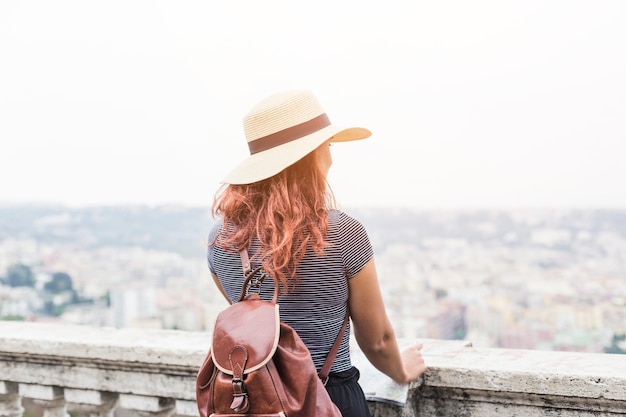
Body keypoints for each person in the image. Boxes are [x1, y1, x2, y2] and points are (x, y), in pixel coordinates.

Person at [207, 90, 426, 417]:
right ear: (311, 157)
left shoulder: (220, 239)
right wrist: (401, 370)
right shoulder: (341, 232)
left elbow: (257, 321)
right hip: (330, 395)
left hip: (258, 400)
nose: (331, 157)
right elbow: (377, 339)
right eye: (328, 147)